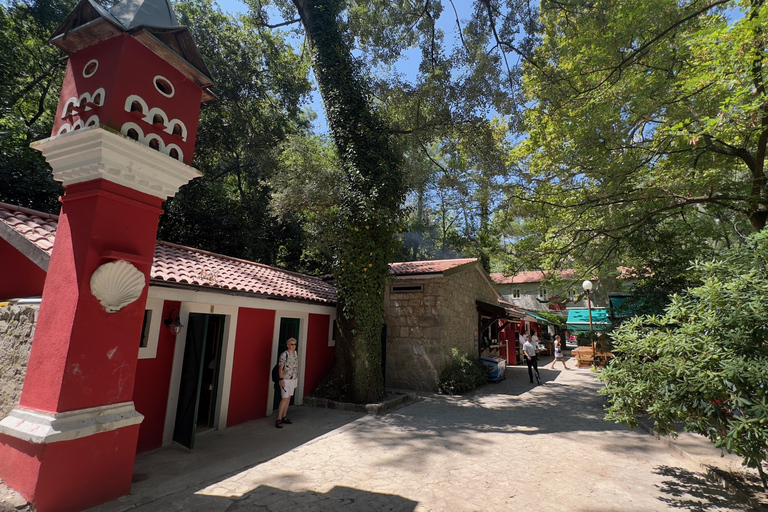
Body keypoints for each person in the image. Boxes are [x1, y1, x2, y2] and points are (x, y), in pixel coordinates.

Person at [276, 337, 299, 428]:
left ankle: (284, 417)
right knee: (284, 398)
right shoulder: (284, 355)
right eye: (291, 344)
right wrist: (281, 379)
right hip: (285, 379)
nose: (293, 346)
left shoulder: (295, 354)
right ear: (288, 345)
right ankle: (278, 419)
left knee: (289, 398)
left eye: (294, 344)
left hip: (293, 378)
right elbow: (280, 368)